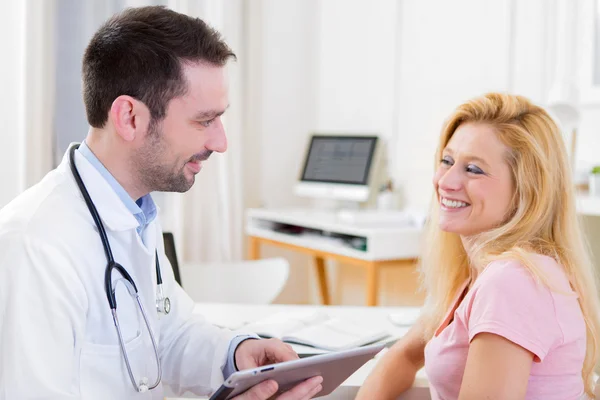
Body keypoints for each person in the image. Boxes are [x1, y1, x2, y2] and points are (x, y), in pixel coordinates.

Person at [0, 6, 322, 400]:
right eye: (204, 121)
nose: (220, 143)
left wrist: (234, 354)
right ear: (130, 118)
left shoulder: (135, 213)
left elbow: (166, 337)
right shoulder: (34, 246)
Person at [356, 93, 600, 399]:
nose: (446, 181)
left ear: (526, 190)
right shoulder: (474, 276)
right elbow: (404, 357)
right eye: (447, 160)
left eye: (473, 169)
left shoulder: (512, 281)